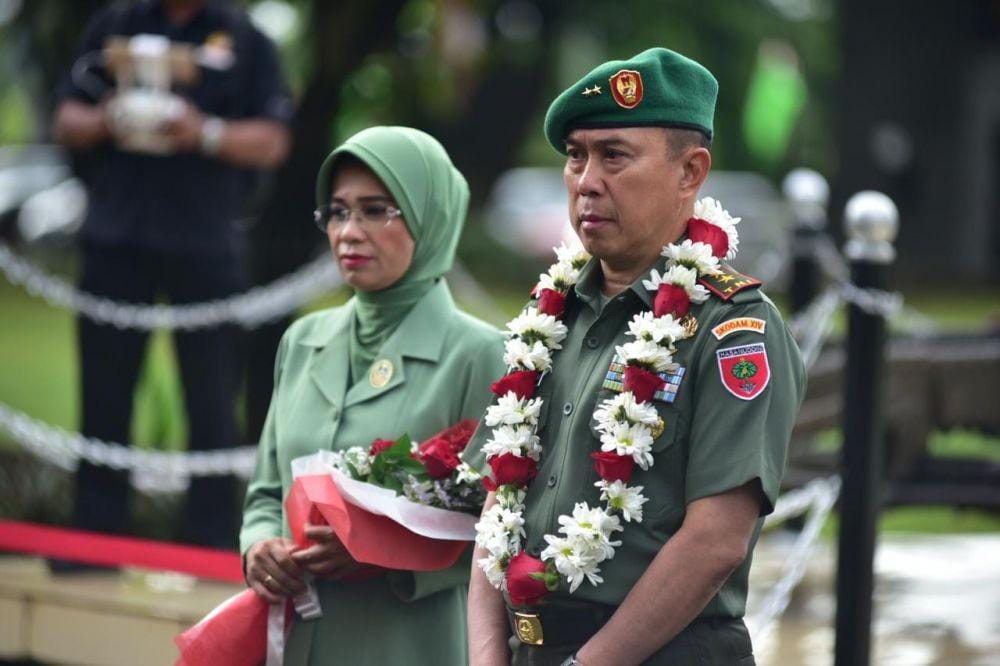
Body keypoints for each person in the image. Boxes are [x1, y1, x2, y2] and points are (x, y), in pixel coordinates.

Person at [466, 48, 806, 665]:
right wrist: (488, 655)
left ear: (690, 172)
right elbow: (499, 503)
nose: (586, 180)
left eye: (614, 155)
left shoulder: (733, 328)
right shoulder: (548, 317)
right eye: (575, 156)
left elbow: (714, 541)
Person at [240, 125, 507, 664]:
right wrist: (259, 547)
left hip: (407, 642)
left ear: (430, 217)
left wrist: (384, 552)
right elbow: (266, 492)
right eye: (337, 212)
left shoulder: (480, 355)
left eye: (376, 210)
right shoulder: (302, 340)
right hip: (296, 638)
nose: (348, 233)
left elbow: (504, 532)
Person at [52, 0, 292, 549]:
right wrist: (113, 117)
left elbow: (273, 141)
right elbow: (65, 119)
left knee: (211, 405)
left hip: (205, 244)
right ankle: (94, 539)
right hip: (117, 237)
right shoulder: (115, 25)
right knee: (103, 401)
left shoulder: (246, 39)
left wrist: (204, 133)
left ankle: (207, 546)